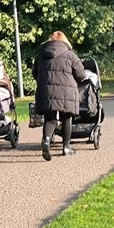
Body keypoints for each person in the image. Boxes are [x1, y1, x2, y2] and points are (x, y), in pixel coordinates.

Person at [33, 31, 85, 161]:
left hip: (46, 91)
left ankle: (46, 140)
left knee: (49, 118)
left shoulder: (41, 56)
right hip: (66, 91)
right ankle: (66, 147)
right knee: (66, 118)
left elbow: (35, 73)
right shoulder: (70, 55)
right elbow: (81, 74)